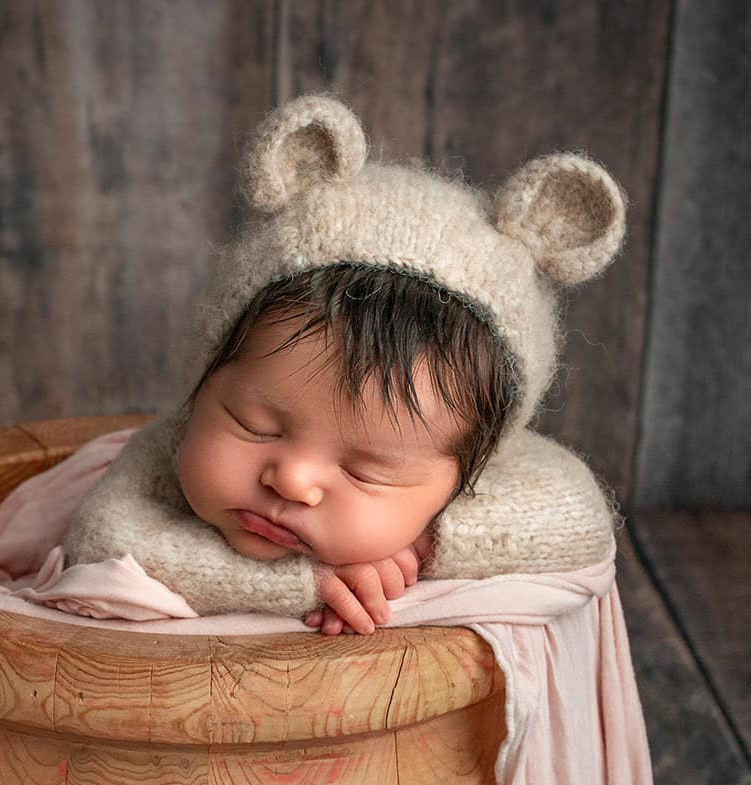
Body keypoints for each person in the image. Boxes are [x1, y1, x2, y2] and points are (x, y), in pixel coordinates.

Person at [62, 93, 629, 634]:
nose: (292, 480)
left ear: (462, 479)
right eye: (255, 428)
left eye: (366, 471)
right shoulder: (168, 450)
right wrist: (303, 581)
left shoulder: (477, 474)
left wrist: (425, 544)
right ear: (207, 379)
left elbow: (580, 518)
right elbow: (105, 539)